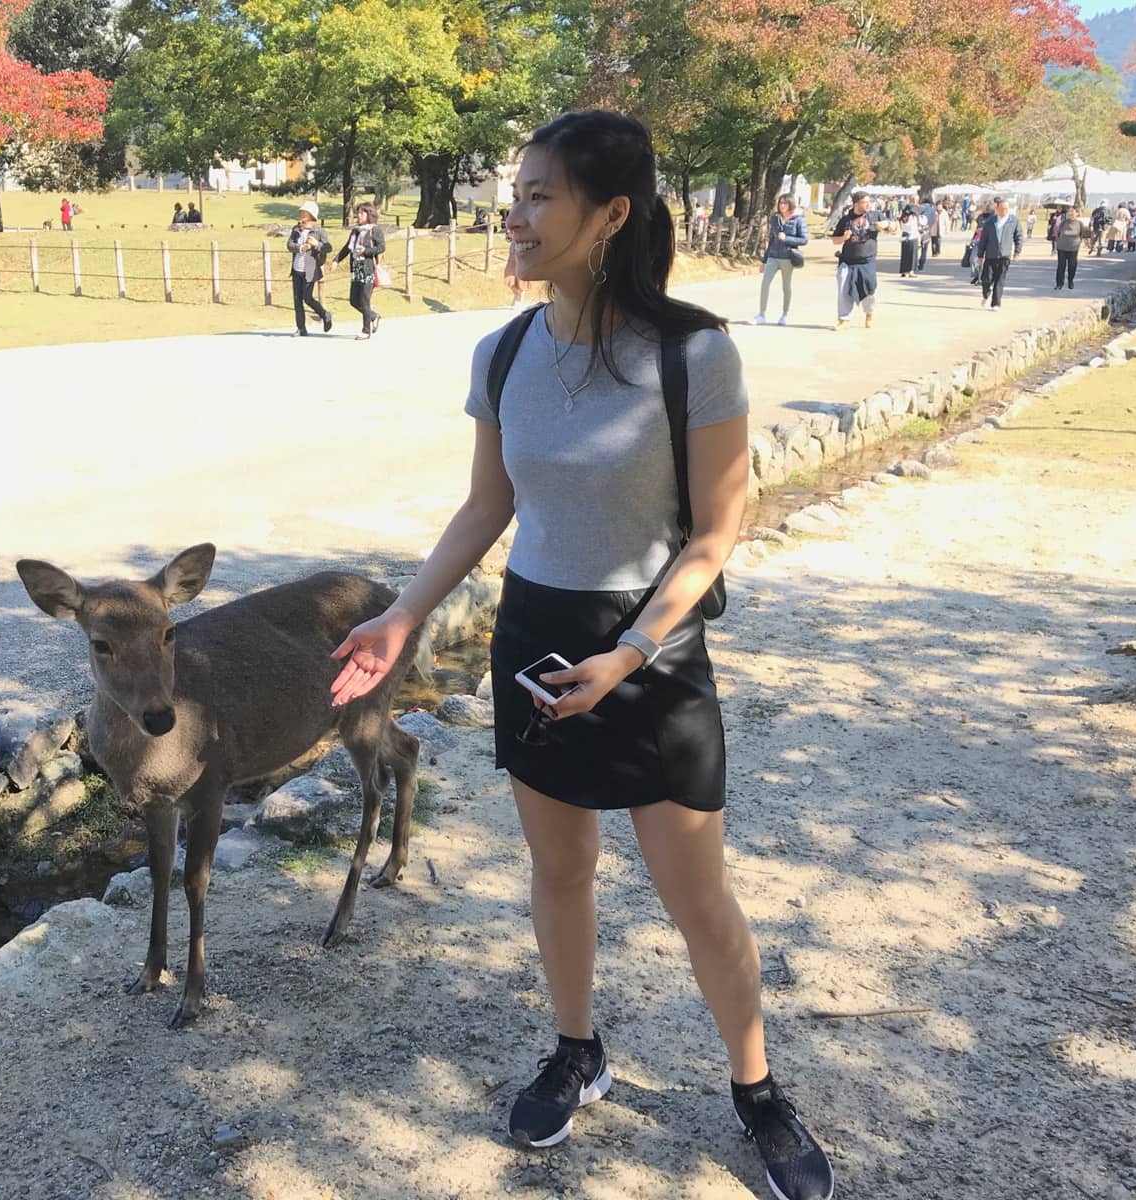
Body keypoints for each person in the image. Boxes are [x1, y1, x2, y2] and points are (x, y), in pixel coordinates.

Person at [328, 108, 834, 1200]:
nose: (513, 215)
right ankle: (577, 1048)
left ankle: (755, 1091)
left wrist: (635, 650)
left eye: (537, 195)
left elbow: (713, 534)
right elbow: (485, 508)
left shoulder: (693, 352)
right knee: (558, 870)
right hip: (534, 638)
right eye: (514, 193)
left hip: (651, 654)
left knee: (696, 896)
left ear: (610, 214)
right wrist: (401, 616)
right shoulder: (502, 349)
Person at [335, 200, 386, 339]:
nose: (358, 215)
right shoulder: (356, 230)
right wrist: (336, 260)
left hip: (368, 268)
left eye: (362, 213)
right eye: (358, 213)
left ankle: (366, 330)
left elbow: (381, 247)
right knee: (353, 301)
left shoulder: (375, 230)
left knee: (364, 300)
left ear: (369, 214)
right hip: (356, 268)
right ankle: (374, 316)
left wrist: (366, 251)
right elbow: (347, 247)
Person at [753, 194, 807, 325]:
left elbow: (804, 239)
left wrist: (787, 238)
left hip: (788, 257)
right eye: (780, 203)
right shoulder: (775, 218)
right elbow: (771, 240)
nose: (782, 205)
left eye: (785, 203)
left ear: (791, 204)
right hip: (773, 256)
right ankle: (761, 314)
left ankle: (784, 314)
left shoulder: (798, 219)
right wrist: (764, 261)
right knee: (765, 283)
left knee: (786, 286)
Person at [832, 190, 879, 330]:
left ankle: (869, 313)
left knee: (869, 289)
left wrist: (887, 225)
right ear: (856, 203)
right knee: (843, 287)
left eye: (869, 202)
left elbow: (893, 227)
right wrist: (843, 238)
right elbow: (835, 240)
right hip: (848, 260)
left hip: (867, 260)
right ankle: (843, 319)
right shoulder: (845, 220)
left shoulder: (874, 216)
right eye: (865, 202)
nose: (868, 205)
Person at [286, 200, 333, 336]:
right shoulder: (296, 229)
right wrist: (300, 247)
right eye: (301, 212)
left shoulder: (319, 231)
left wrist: (316, 244)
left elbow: (328, 247)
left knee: (307, 298)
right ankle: (301, 328)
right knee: (297, 299)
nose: (301, 214)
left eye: (304, 212)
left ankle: (325, 314)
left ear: (311, 215)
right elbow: (289, 245)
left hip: (310, 269)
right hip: (296, 269)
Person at [977, 196, 1022, 310]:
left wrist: (1017, 252)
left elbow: (1019, 238)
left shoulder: (1014, 221)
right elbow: (983, 240)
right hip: (991, 255)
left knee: (1000, 280)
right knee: (986, 280)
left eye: (1006, 209)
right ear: (997, 209)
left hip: (1004, 256)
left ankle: (996, 303)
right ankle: (986, 294)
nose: (1004, 211)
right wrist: (980, 255)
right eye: (1002, 208)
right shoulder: (990, 222)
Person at [1053, 205, 1084, 290]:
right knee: (1061, 266)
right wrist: (1057, 243)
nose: (1070, 213)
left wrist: (1077, 243)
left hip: (1073, 248)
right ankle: (1059, 284)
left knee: (1072, 266)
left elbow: (1081, 235)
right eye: (1069, 212)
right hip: (1062, 247)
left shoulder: (1079, 224)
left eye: (1072, 212)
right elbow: (1058, 233)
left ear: (1077, 213)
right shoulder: (1063, 222)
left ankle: (1070, 281)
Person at [897, 205, 920, 277]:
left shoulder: (902, 218)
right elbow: (915, 229)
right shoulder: (913, 218)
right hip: (912, 237)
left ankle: (904, 271)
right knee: (912, 256)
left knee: (905, 255)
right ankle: (911, 271)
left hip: (904, 237)